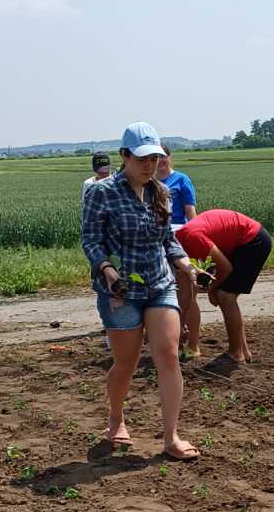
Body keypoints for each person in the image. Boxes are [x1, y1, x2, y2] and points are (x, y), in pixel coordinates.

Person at [81, 121, 198, 459]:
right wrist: (107, 271)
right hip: (120, 290)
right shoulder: (101, 192)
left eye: (154, 159)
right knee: (126, 362)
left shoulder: (160, 192)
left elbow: (168, 240)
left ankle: (171, 437)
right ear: (124, 156)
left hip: (159, 283)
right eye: (143, 159)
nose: (150, 165)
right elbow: (91, 241)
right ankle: (116, 419)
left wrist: (187, 265)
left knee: (168, 354)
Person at [175, 209, 271, 364]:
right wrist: (180, 324)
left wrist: (212, 290)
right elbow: (186, 294)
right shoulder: (178, 250)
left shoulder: (192, 239)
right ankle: (244, 351)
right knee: (225, 295)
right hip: (240, 242)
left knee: (225, 296)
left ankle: (236, 354)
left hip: (253, 239)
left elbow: (225, 268)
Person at [156, 145, 200, 355]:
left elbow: (191, 213)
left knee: (188, 292)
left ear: (170, 157)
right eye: (157, 157)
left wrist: (194, 238)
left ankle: (193, 344)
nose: (161, 161)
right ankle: (172, 340)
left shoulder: (181, 179)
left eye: (164, 156)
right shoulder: (148, 182)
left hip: (180, 237)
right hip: (158, 240)